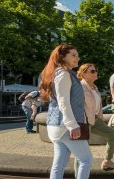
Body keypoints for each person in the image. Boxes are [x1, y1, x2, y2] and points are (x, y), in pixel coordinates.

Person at [39, 44, 92, 179]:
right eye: (73, 55)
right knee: (86, 160)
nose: (77, 58)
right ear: (62, 57)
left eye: (77, 55)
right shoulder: (63, 73)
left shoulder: (58, 73)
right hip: (65, 126)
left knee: (59, 164)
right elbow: (64, 102)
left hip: (55, 126)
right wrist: (72, 125)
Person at [76, 63, 114, 171]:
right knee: (83, 152)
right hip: (84, 120)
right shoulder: (80, 87)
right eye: (92, 71)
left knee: (113, 135)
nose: (96, 72)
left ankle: (107, 161)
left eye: (96, 70)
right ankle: (78, 175)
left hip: (95, 119)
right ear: (83, 74)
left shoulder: (94, 87)